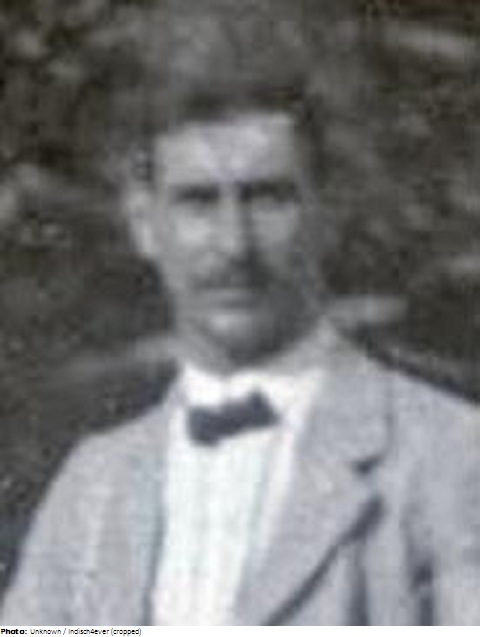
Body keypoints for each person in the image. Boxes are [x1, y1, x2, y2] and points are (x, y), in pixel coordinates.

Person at [2, 2, 480, 626]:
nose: (233, 245)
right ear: (145, 223)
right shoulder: (93, 486)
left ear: (328, 212)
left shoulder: (450, 457)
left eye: (267, 198)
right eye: (198, 202)